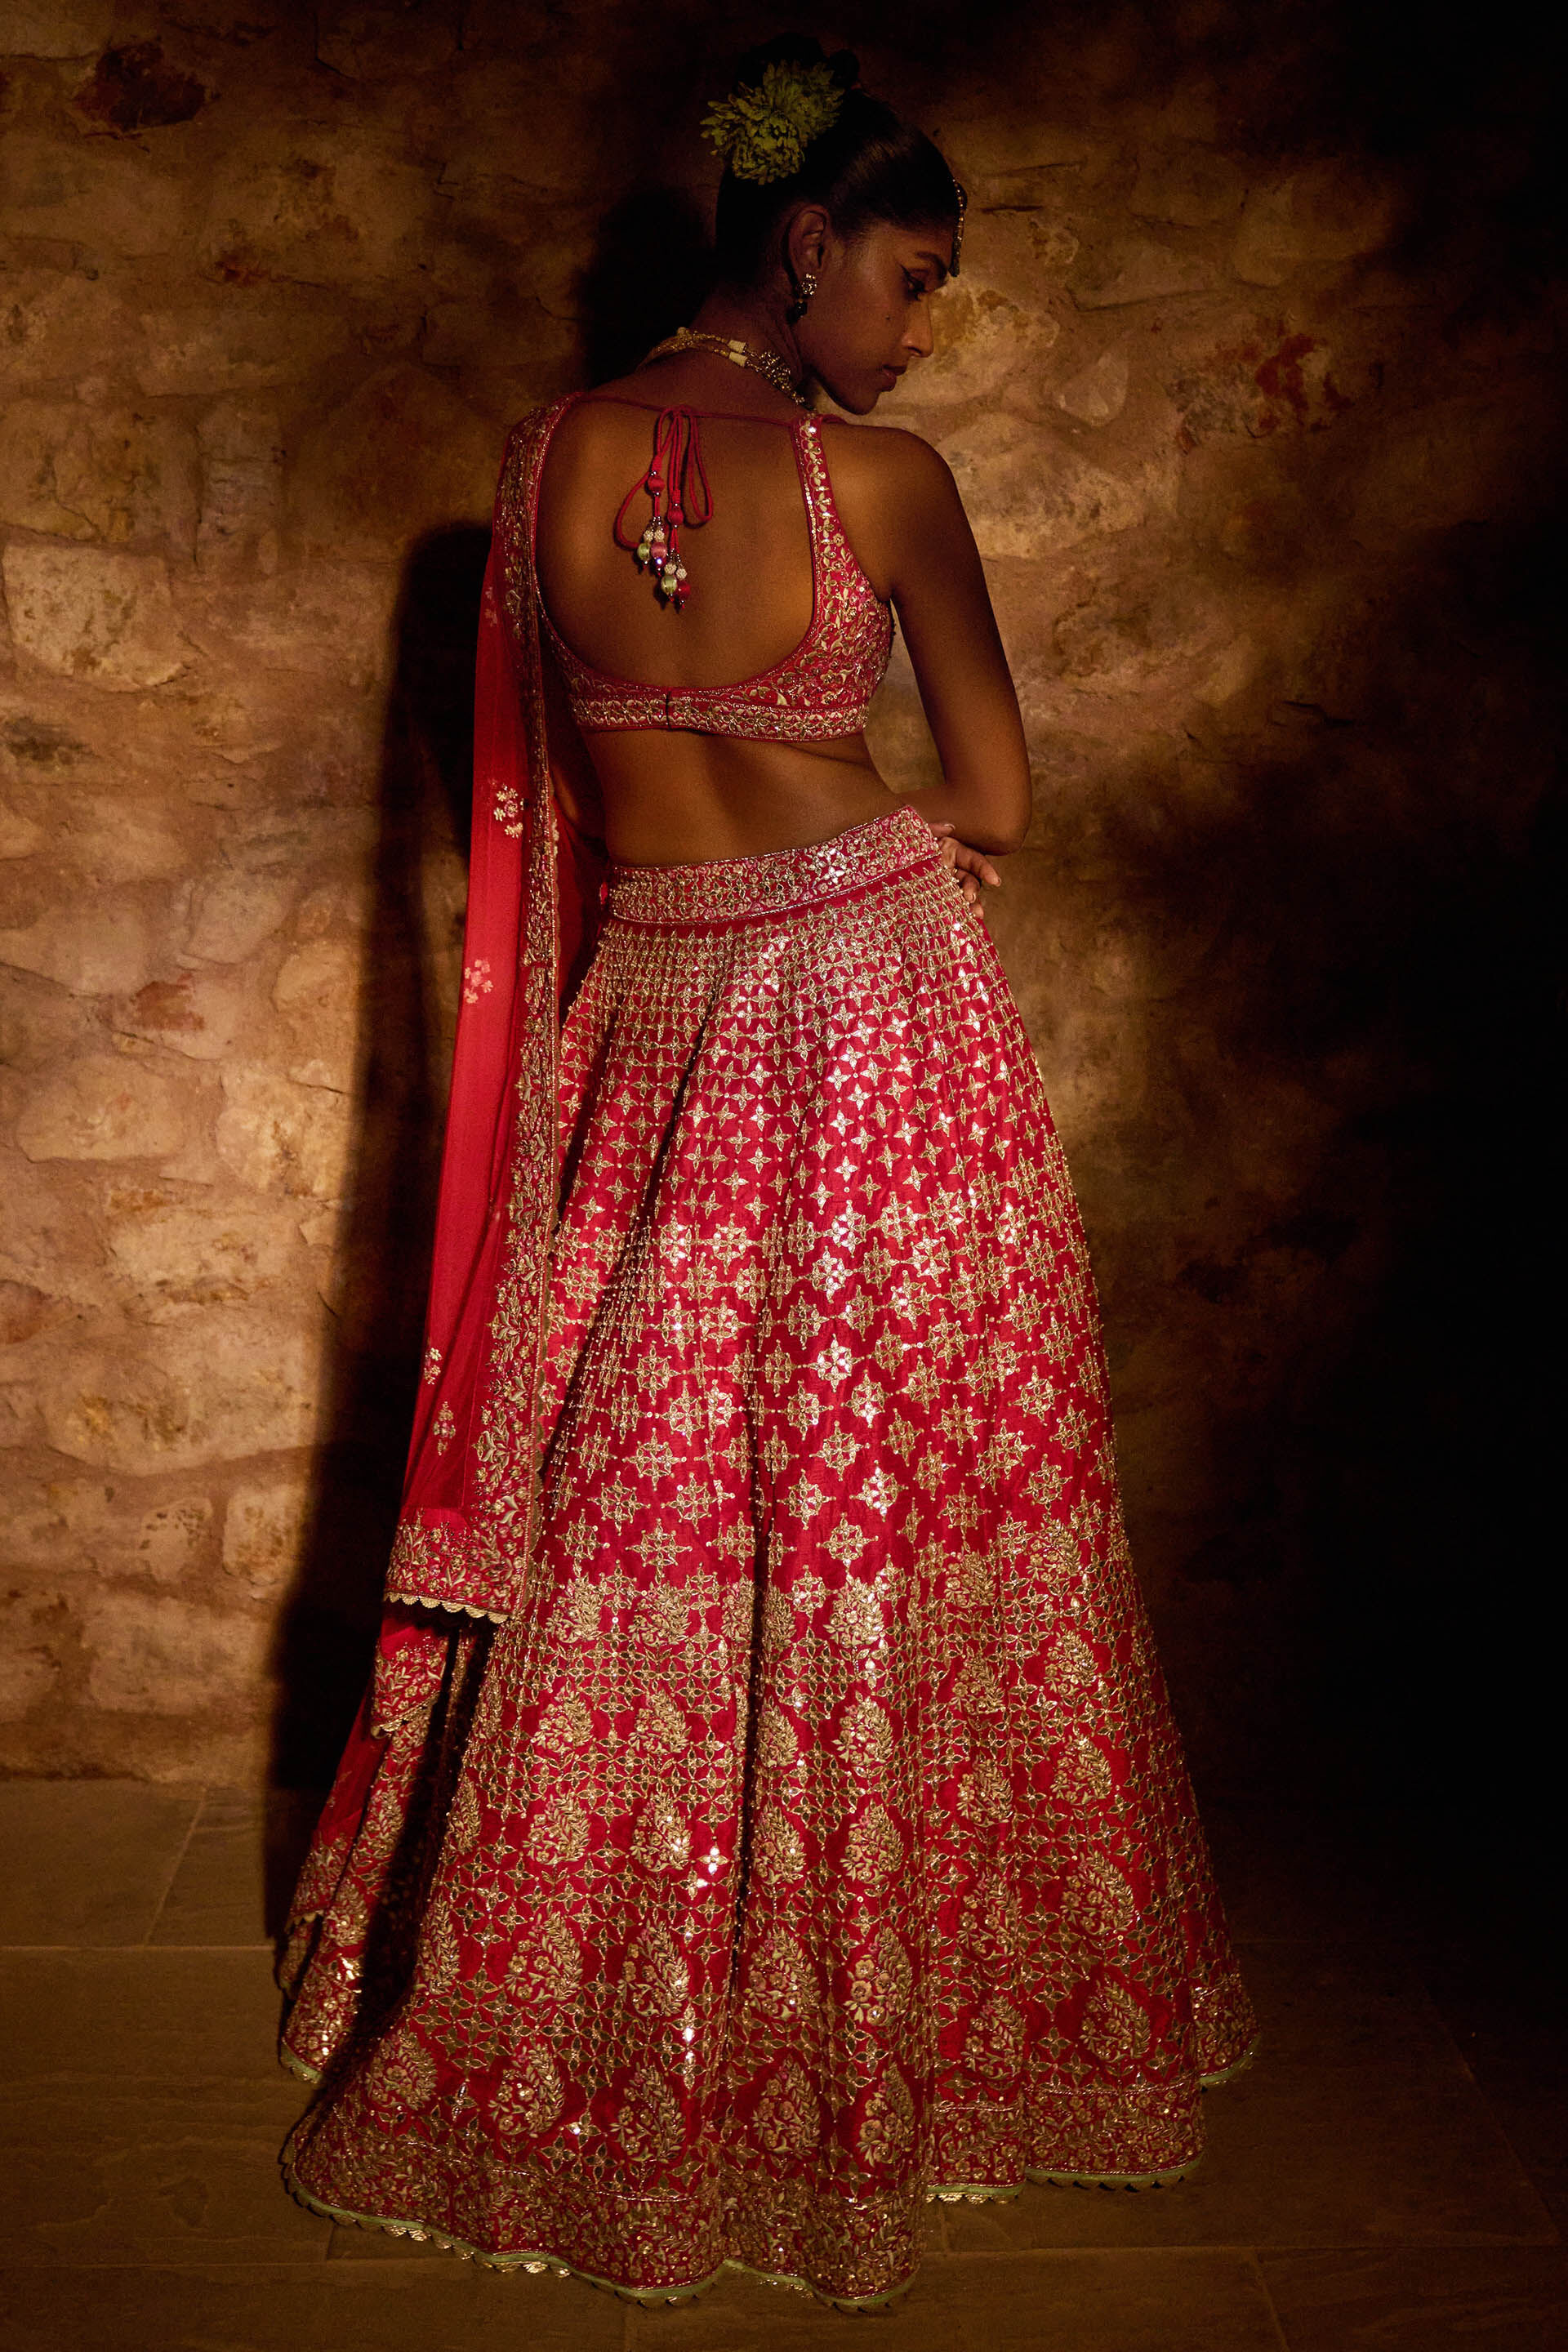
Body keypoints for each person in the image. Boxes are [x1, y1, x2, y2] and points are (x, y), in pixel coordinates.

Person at [278, 36, 1256, 2310]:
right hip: (878, 1014)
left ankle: (621, 2014)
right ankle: (898, 2023)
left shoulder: (538, 474)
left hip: (651, 1018)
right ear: (805, 246)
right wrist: (865, 844)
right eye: (911, 276)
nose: (920, 332)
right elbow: (994, 797)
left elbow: (540, 817)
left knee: (654, 1499)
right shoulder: (884, 481)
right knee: (888, 1503)